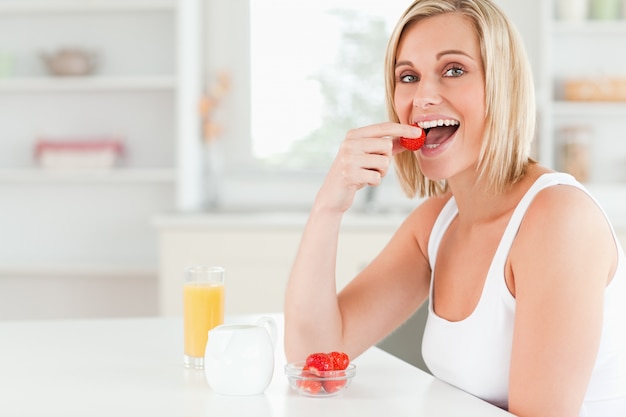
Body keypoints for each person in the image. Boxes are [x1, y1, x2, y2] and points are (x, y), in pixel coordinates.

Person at [283, 0, 626, 416]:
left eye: (454, 70)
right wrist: (328, 206)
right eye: (408, 77)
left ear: (503, 85)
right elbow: (314, 359)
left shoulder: (558, 220)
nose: (424, 96)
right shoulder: (436, 224)